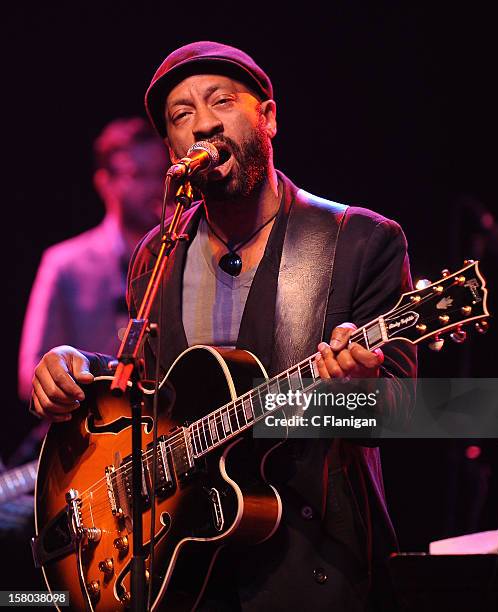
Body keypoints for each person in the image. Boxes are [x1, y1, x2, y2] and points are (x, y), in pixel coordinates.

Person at [31, 42, 417, 611]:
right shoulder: (157, 254)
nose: (204, 123)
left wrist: (349, 396)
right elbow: (152, 397)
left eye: (222, 101)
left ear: (268, 117)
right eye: (181, 115)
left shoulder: (359, 241)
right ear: (171, 147)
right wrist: (79, 370)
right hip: (185, 576)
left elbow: (413, 412)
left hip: (315, 575)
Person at [18, 117, 169, 401]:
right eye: (138, 175)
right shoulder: (64, 263)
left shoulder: (184, 252)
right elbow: (29, 374)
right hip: (96, 430)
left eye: (160, 173)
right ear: (105, 183)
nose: (156, 188)